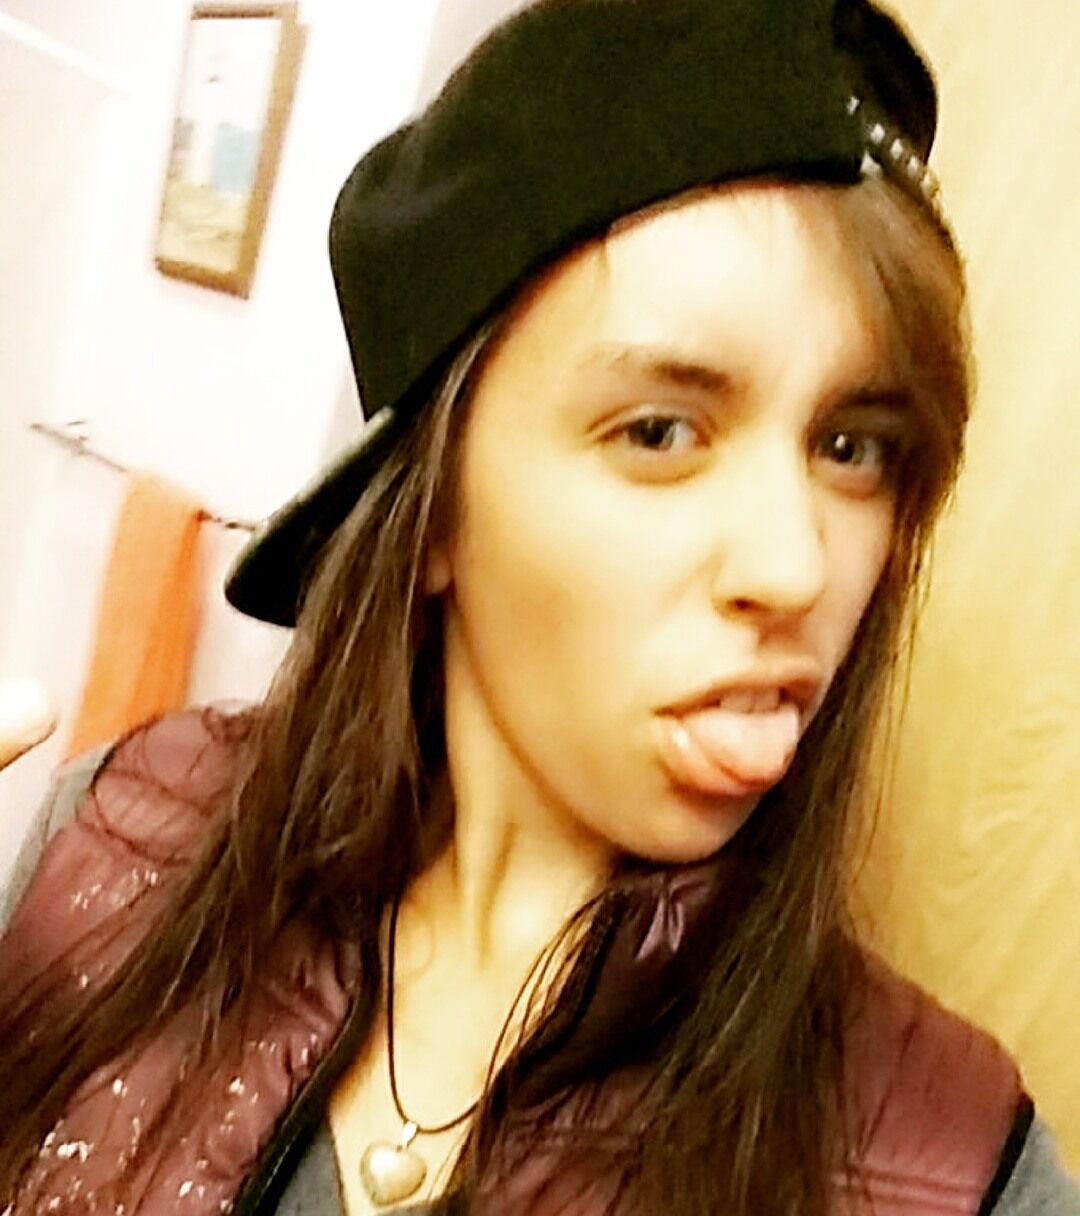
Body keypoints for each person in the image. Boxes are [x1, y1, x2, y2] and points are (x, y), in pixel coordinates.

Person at [1, 1, 1078, 1213]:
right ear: (435, 518)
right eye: (660, 432)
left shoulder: (956, 1166)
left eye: (854, 447)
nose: (796, 566)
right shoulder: (115, 846)